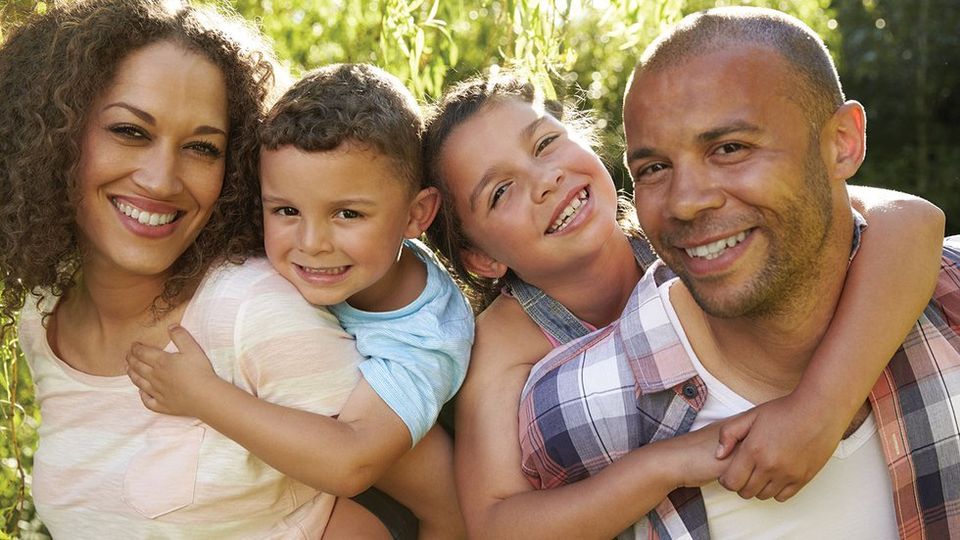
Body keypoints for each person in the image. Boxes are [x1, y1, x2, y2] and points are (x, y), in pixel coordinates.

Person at [422, 47, 945, 540]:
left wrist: (818, 410)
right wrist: (669, 463)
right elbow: (496, 523)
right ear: (482, 258)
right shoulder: (503, 345)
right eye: (501, 191)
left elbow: (911, 220)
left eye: (545, 143)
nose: (545, 178)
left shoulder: (685, 221)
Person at [0, 1, 407, 537]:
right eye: (130, 131)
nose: (162, 180)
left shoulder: (252, 310)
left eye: (201, 147)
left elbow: (431, 506)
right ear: (55, 135)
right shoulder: (43, 314)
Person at [125, 63, 472, 539]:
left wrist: (201, 395)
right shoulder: (346, 267)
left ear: (417, 214)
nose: (311, 242)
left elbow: (350, 462)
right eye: (286, 210)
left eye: (347, 213)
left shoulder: (425, 336)